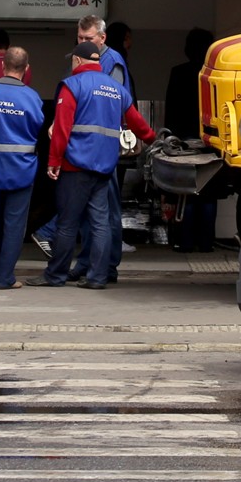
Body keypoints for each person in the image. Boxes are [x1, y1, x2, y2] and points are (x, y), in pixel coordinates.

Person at [28, 41, 153, 289]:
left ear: (76, 61)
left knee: (67, 223)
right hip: (105, 167)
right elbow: (137, 122)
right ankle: (97, 277)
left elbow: (62, 129)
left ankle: (56, 275)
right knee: (100, 223)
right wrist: (153, 139)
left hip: (75, 167)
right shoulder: (116, 89)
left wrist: (53, 161)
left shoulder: (72, 86)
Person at [0, 46, 42, 290]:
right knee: (14, 224)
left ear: (3, 65)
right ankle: (5, 278)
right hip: (20, 170)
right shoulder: (31, 97)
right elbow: (37, 128)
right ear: (27, 69)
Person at [164, 28, 217, 252]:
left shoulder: (178, 73)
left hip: (183, 141)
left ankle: (185, 242)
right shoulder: (214, 75)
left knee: (187, 193)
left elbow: (171, 110)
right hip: (211, 141)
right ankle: (206, 243)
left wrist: (169, 139)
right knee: (208, 193)